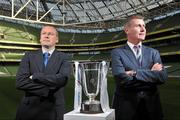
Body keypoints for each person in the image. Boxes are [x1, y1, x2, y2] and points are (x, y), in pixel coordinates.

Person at [111, 15, 168, 120]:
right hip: (126, 109)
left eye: (144, 26)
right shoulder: (117, 52)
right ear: (127, 30)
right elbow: (121, 79)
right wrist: (151, 74)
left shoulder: (153, 52)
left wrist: (134, 73)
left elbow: (162, 77)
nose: (143, 29)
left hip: (152, 108)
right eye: (138, 26)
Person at [16, 25, 71, 120]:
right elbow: (20, 82)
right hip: (29, 110)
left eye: (50, 34)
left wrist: (36, 77)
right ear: (40, 39)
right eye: (44, 33)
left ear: (57, 39)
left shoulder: (64, 57)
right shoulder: (28, 56)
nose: (46, 36)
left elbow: (63, 79)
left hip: (54, 109)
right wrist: (46, 90)